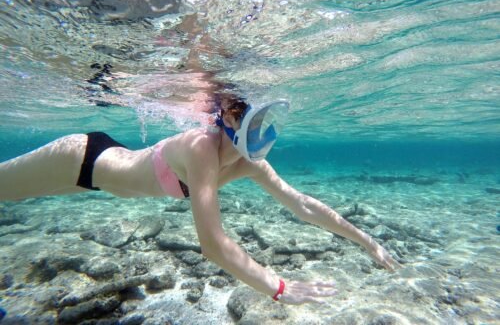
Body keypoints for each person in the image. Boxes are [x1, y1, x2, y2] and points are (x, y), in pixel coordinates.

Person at [0, 96, 400, 305]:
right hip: (78, 158)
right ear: (225, 117)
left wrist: (368, 242)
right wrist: (277, 286)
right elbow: (212, 244)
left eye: (263, 120)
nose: (260, 130)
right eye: (249, 118)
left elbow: (303, 205)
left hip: (98, 180)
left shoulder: (249, 163)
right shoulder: (200, 148)